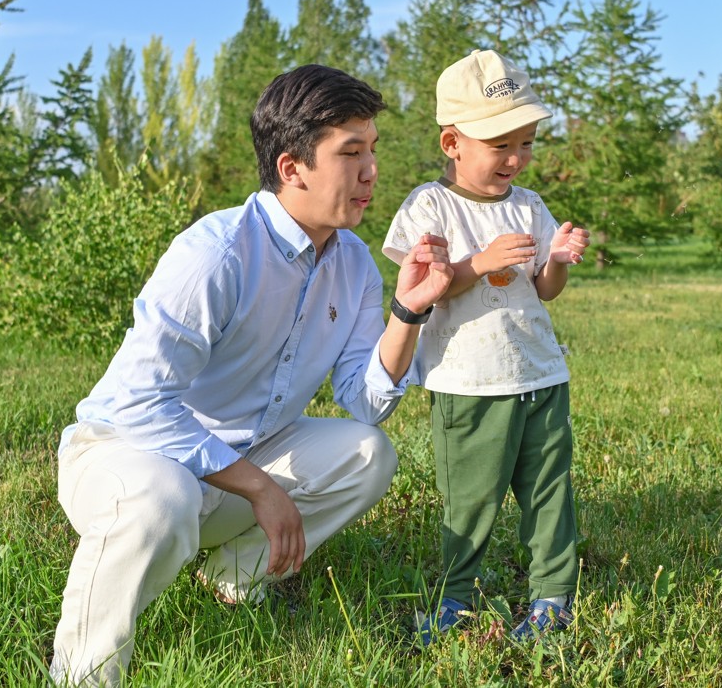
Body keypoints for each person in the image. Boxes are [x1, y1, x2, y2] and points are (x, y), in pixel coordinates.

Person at [50, 64, 452, 686]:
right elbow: (137, 404)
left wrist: (410, 310)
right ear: (292, 168)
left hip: (242, 457)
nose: (372, 172)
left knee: (368, 453)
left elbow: (366, 403)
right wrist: (263, 490)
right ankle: (82, 674)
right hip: (124, 454)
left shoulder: (354, 265)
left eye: (373, 150)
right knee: (165, 496)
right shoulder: (218, 253)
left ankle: (236, 576)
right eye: (351, 153)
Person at [381, 49, 590, 644]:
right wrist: (480, 261)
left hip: (540, 374)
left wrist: (557, 258)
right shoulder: (430, 206)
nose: (516, 158)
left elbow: (544, 292)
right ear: (452, 142)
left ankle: (552, 598)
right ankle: (455, 601)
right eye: (501, 144)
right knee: (469, 503)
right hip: (469, 383)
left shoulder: (529, 205)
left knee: (550, 494)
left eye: (525, 143)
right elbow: (429, 288)